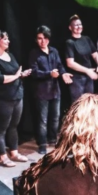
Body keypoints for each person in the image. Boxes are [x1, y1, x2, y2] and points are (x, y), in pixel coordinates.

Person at [0, 30, 32, 166]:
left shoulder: (10, 55)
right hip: (3, 99)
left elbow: (15, 73)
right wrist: (17, 76)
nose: (8, 41)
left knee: (14, 126)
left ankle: (14, 153)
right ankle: (3, 156)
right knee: (1, 129)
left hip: (17, 95)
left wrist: (21, 74)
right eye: (5, 39)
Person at [29, 26, 73, 154]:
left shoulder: (54, 51)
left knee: (55, 118)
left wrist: (63, 74)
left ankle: (53, 140)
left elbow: (59, 66)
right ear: (36, 40)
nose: (43, 41)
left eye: (45, 38)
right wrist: (49, 74)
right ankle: (42, 144)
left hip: (55, 90)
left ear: (49, 39)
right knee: (43, 120)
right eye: (40, 38)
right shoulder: (34, 53)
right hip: (42, 92)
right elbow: (34, 72)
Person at [64, 14, 98, 102]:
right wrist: (87, 71)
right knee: (78, 104)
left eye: (80, 24)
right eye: (76, 25)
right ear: (70, 27)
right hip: (77, 79)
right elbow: (70, 63)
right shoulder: (69, 42)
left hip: (89, 78)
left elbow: (95, 55)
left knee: (89, 103)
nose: (79, 27)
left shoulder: (87, 39)